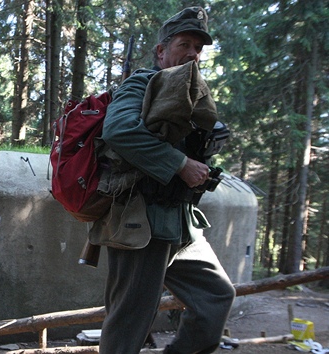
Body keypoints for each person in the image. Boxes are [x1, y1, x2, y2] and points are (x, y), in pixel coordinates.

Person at [92, 7, 236, 354]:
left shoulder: (193, 94)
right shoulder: (141, 83)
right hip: (141, 220)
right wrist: (179, 163)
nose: (192, 53)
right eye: (184, 44)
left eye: (198, 48)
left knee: (215, 295)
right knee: (129, 321)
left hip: (181, 223)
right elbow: (119, 130)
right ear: (161, 51)